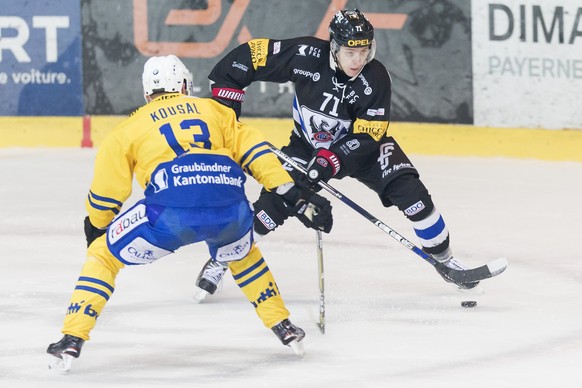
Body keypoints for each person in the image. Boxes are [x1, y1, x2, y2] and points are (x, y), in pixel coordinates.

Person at [46, 55, 334, 373]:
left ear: (147, 94)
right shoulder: (216, 111)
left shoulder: (128, 128)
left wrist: (96, 226)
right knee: (242, 254)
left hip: (171, 213)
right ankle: (283, 326)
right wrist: (292, 194)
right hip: (229, 204)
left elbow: (107, 196)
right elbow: (257, 153)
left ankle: (73, 337)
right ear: (185, 86)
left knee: (102, 256)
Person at [193, 8, 478, 300]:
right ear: (334, 47)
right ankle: (222, 260)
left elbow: (370, 133)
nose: (357, 60)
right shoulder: (306, 55)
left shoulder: (376, 77)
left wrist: (333, 158)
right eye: (350, 52)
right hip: (306, 148)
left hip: (364, 150)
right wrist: (225, 108)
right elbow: (251, 56)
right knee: (271, 208)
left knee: (414, 195)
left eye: (363, 51)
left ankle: (445, 261)